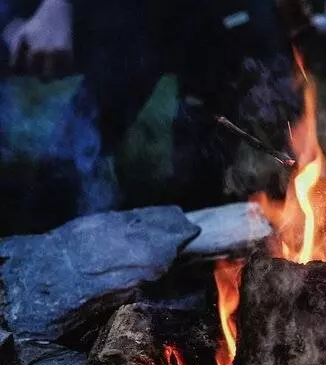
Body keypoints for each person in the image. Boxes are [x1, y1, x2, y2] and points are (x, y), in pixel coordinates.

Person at [0, 0, 299, 232]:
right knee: (76, 152)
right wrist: (51, 8)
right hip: (135, 18)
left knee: (213, 161)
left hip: (217, 21)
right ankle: (43, 257)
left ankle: (215, 275)